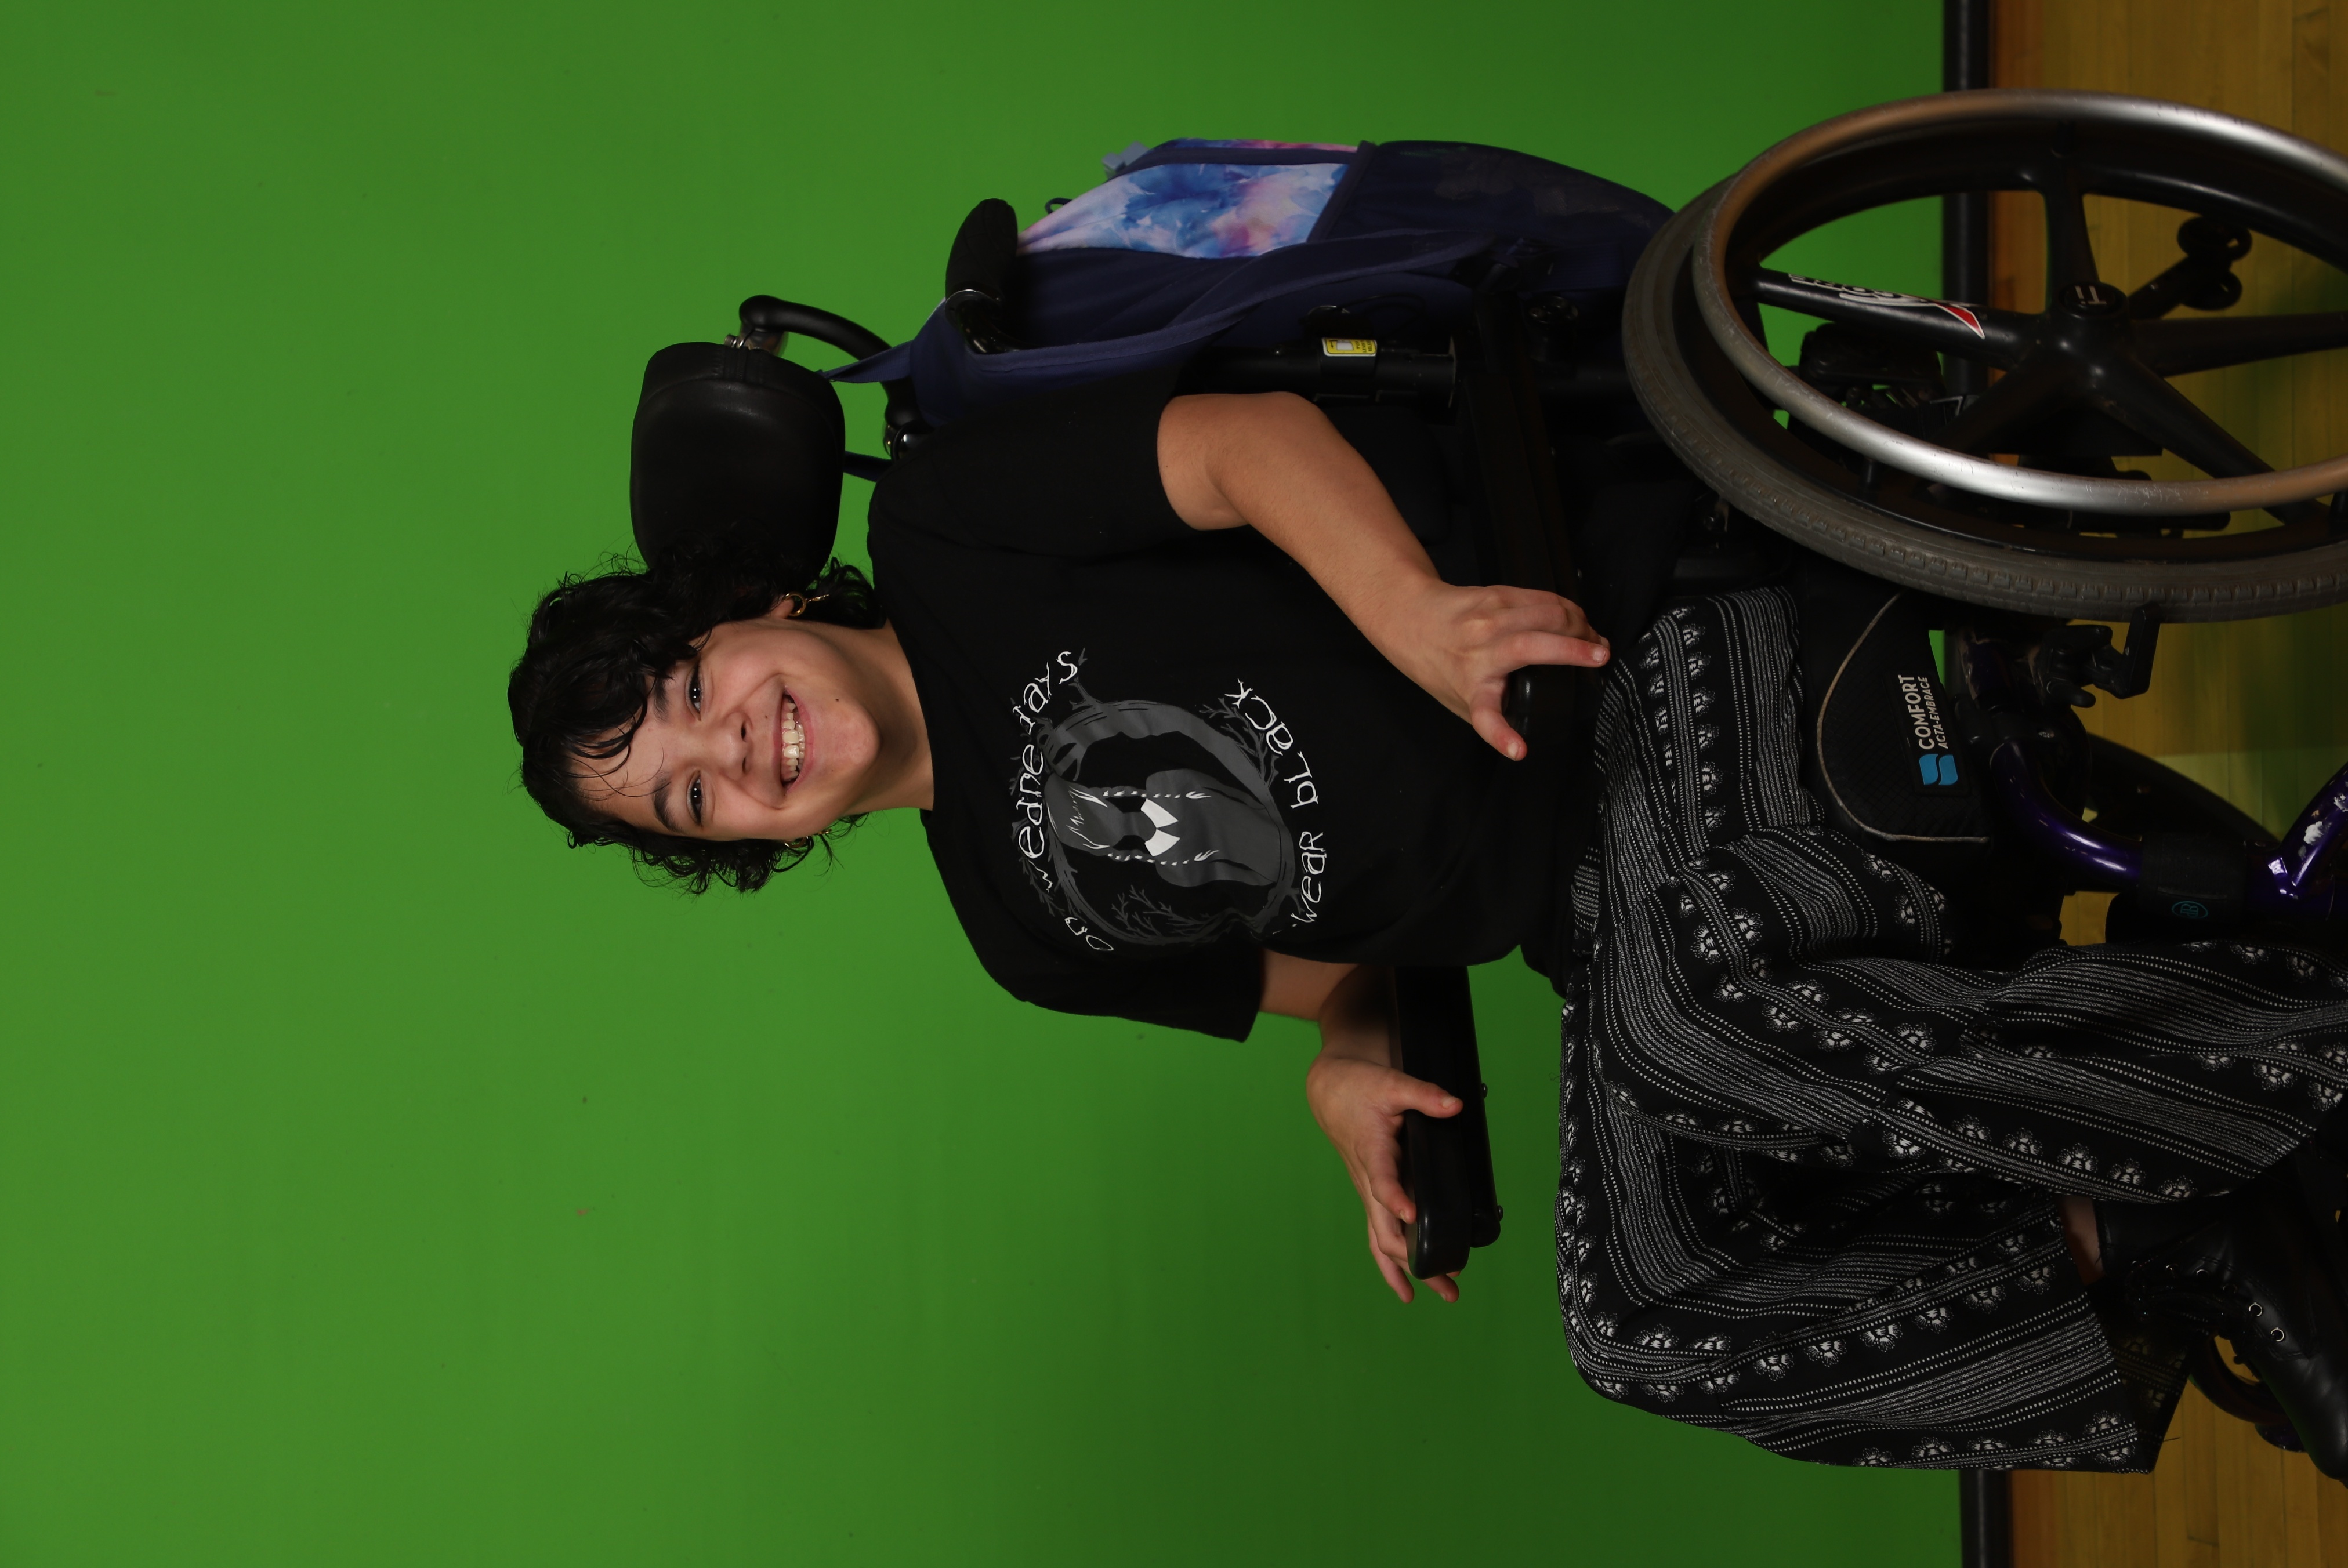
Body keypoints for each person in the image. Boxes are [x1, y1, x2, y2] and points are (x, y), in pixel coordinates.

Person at [510, 364, 2348, 1476]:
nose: (732, 748)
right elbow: (1344, 961)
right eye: (689, 796)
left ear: (748, 612)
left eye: (691, 690)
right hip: (1607, 918)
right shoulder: (1020, 934)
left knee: (1688, 1016)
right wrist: (1347, 1063)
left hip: (1636, 650)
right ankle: (2165, 1230)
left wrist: (1410, 612)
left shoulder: (949, 531)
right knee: (1643, 1320)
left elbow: (1240, 446)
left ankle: (2308, 1074)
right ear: (743, 849)